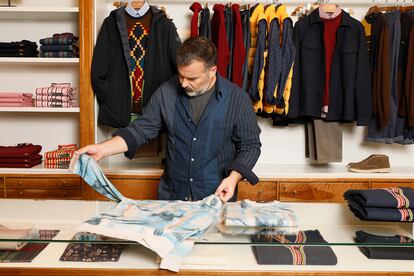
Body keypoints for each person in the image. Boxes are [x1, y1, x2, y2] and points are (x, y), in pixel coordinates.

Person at [76, 36, 261, 202]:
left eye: (192, 78)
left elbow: (250, 145)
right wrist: (102, 149)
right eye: (180, 75)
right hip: (172, 199)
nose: (183, 83)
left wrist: (234, 177)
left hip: (216, 198)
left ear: (212, 71)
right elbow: (141, 130)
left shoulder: (237, 99)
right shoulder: (166, 92)